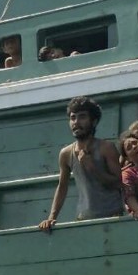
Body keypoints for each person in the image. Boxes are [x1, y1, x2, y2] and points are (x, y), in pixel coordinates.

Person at [38, 97, 124, 231]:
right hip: (84, 219)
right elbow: (62, 187)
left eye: (82, 117)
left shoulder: (106, 148)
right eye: (73, 118)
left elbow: (120, 183)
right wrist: (51, 217)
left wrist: (92, 167)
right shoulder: (66, 153)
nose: (76, 122)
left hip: (113, 217)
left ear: (94, 121)